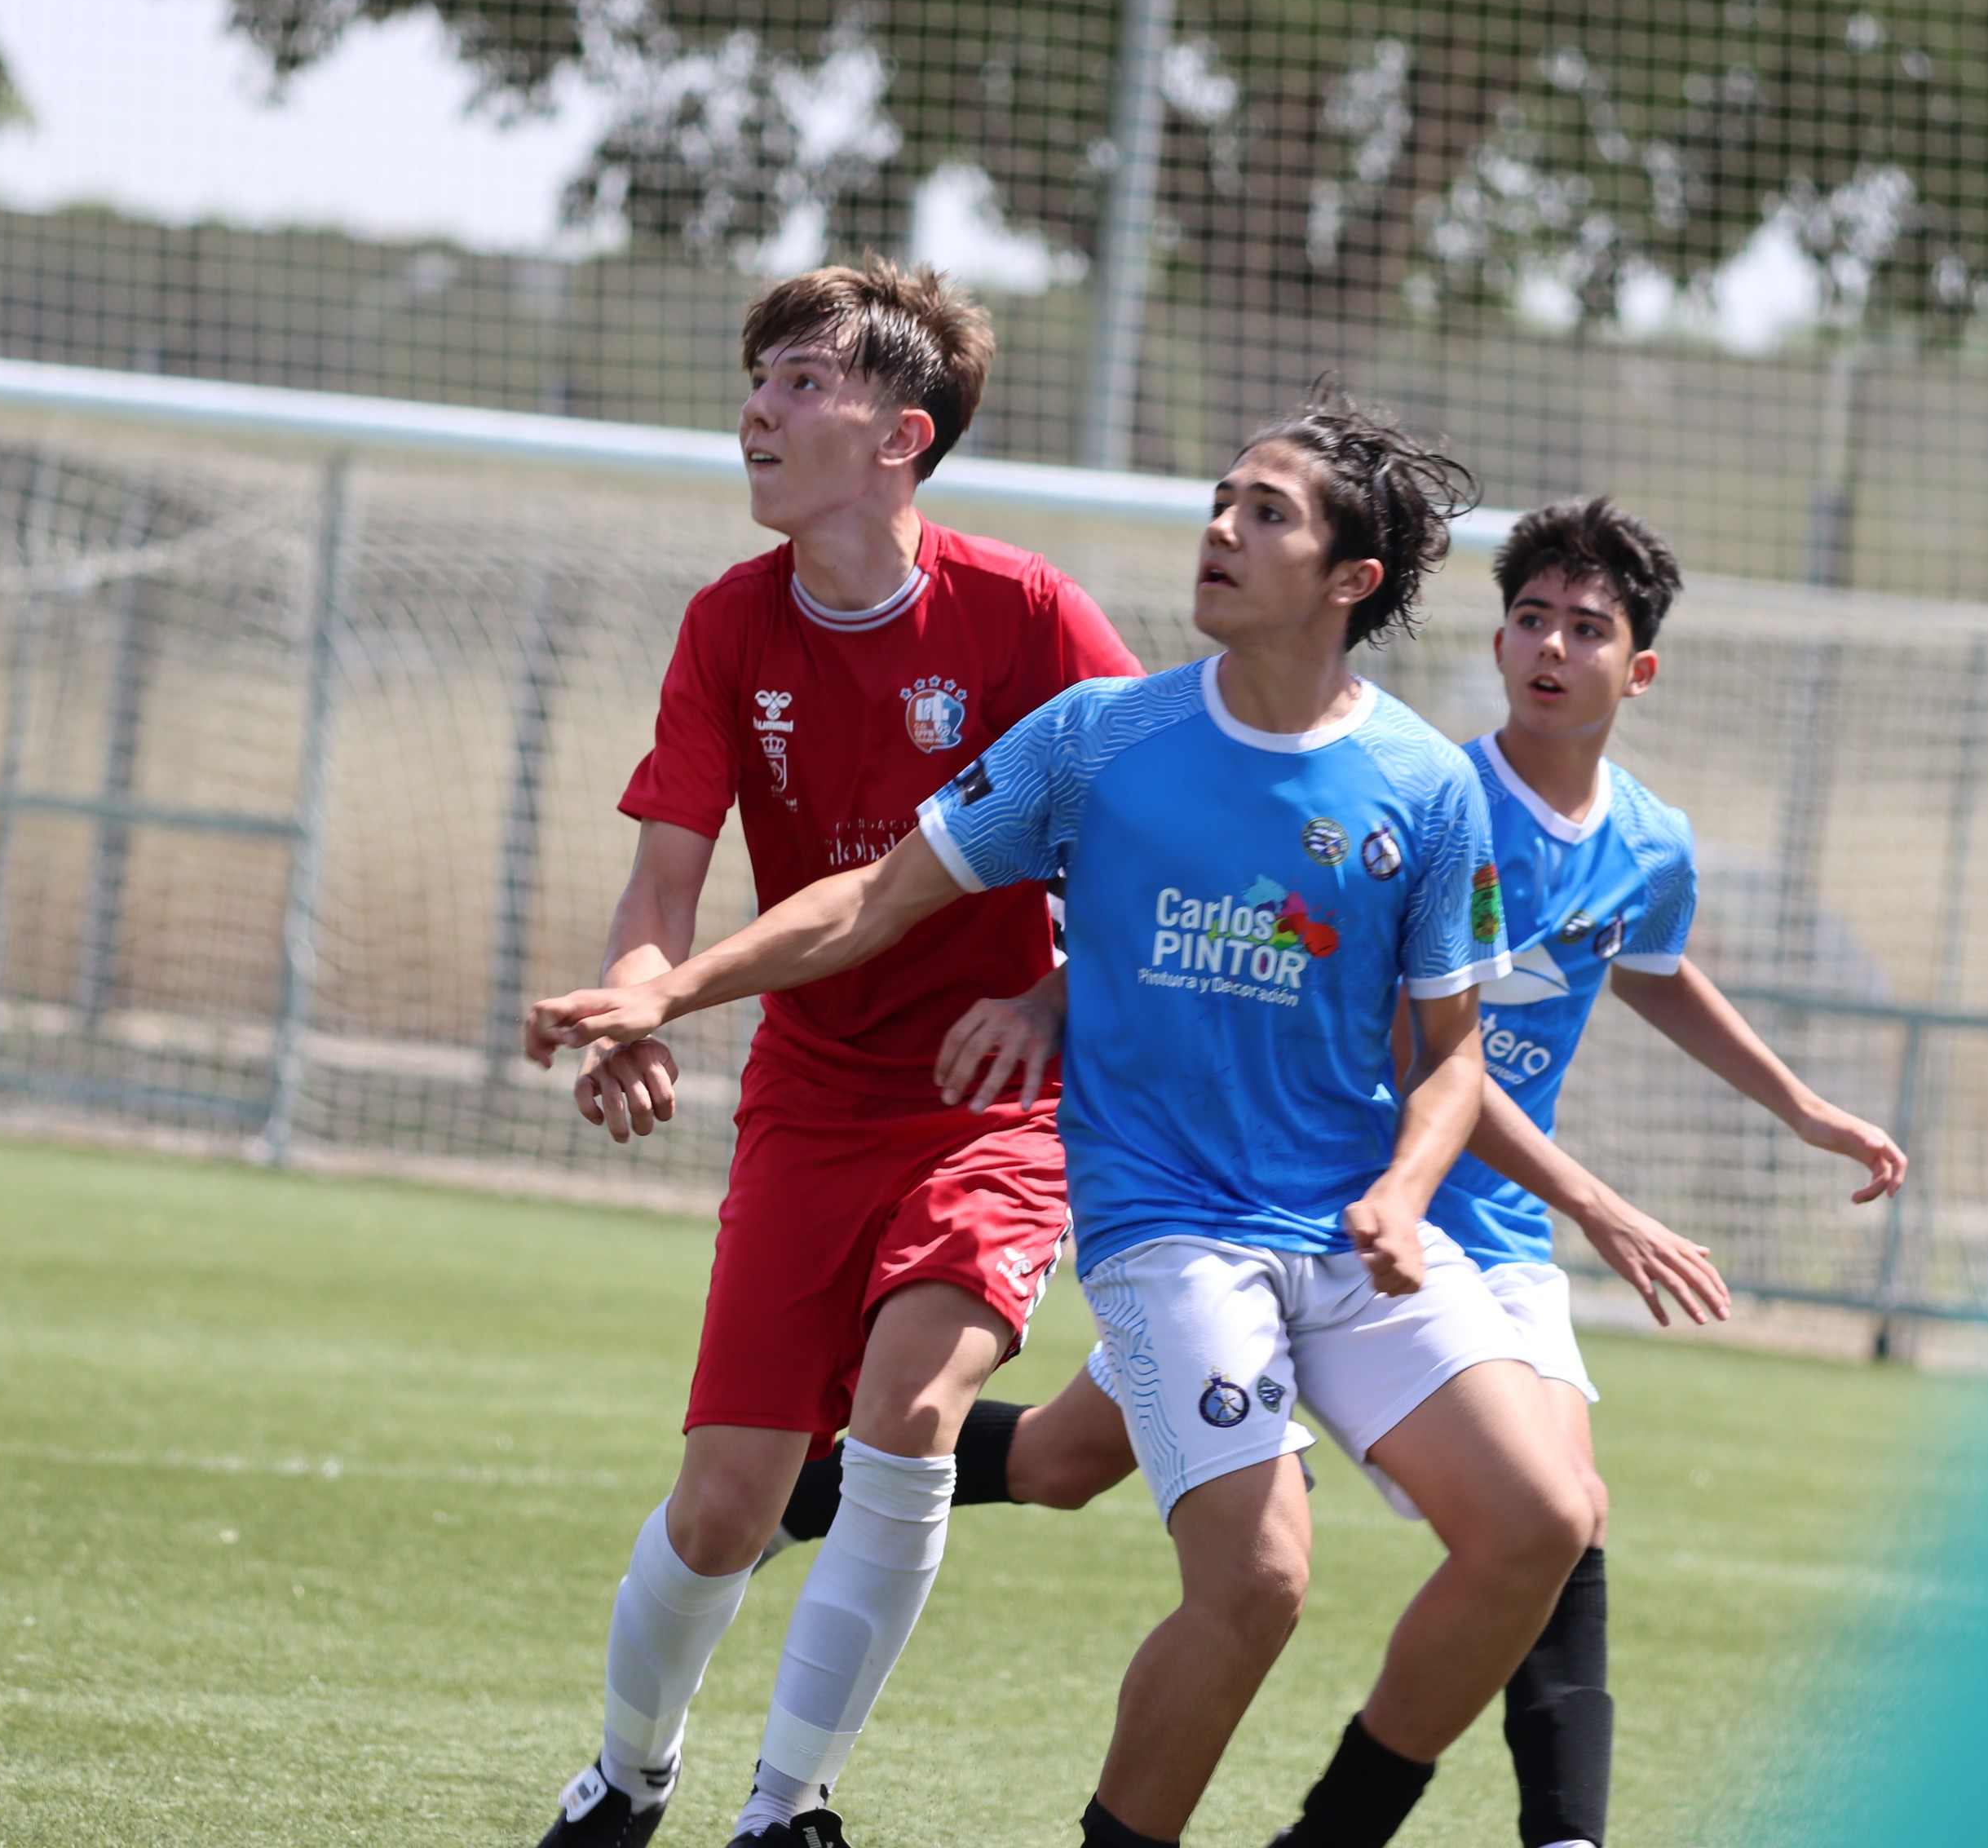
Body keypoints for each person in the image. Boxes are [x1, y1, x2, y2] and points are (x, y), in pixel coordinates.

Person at [528, 389, 1604, 1848]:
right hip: (1172, 1233)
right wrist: (669, 990)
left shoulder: (1425, 786)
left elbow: (1452, 1059)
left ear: (1352, 580)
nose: (1220, 528)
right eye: (1222, 498)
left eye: (1266, 513)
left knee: (1544, 1520)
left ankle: (1334, 1831)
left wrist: (1406, 1194)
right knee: (1259, 1580)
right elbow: (873, 900)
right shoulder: (1100, 740)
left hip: (1347, 1228)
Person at [764, 494, 1910, 1848]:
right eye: (1530, 619)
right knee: (1108, 1481)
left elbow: (1645, 966)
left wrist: (1802, 1106)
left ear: (1638, 667)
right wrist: (1600, 1205)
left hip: (1456, 1234)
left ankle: (1493, 1831)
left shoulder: (1647, 841)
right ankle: (809, 1487)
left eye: (1586, 629)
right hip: (1319, 1202)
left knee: (1551, 1515)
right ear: (1495, 639)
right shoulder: (1422, 787)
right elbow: (1365, 1016)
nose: (1551, 647)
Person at [528, 258, 1142, 1848]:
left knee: (912, 1412)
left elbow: (1174, 833)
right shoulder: (728, 624)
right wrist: (634, 999)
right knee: (724, 1507)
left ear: (901, 436)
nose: (759, 409)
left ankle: (786, 1807)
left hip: (994, 1100)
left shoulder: (1028, 616)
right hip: (807, 1096)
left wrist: (1059, 999)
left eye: (803, 382)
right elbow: (663, 885)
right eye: (759, 379)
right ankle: (626, 1776)